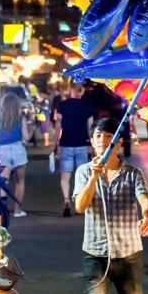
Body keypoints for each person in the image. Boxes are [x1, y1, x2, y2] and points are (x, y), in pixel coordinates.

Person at [70, 118, 148, 294]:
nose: (104, 140)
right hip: (95, 254)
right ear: (92, 140)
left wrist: (147, 216)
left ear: (118, 142)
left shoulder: (132, 173)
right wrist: (95, 176)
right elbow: (80, 206)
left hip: (129, 253)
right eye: (99, 135)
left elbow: (145, 200)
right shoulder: (84, 171)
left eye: (110, 136)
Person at [53, 83, 94, 217]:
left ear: (70, 89)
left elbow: (58, 126)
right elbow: (90, 127)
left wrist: (55, 145)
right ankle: (78, 202)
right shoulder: (87, 106)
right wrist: (93, 146)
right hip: (81, 144)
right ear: (81, 91)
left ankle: (66, 200)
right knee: (82, 176)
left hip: (66, 144)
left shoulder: (63, 106)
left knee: (65, 176)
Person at [0, 92, 31, 218]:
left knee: (4, 182)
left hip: (2, 150)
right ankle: (17, 210)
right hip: (18, 148)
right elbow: (26, 137)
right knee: (20, 182)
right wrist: (31, 131)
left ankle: (2, 210)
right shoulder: (21, 118)